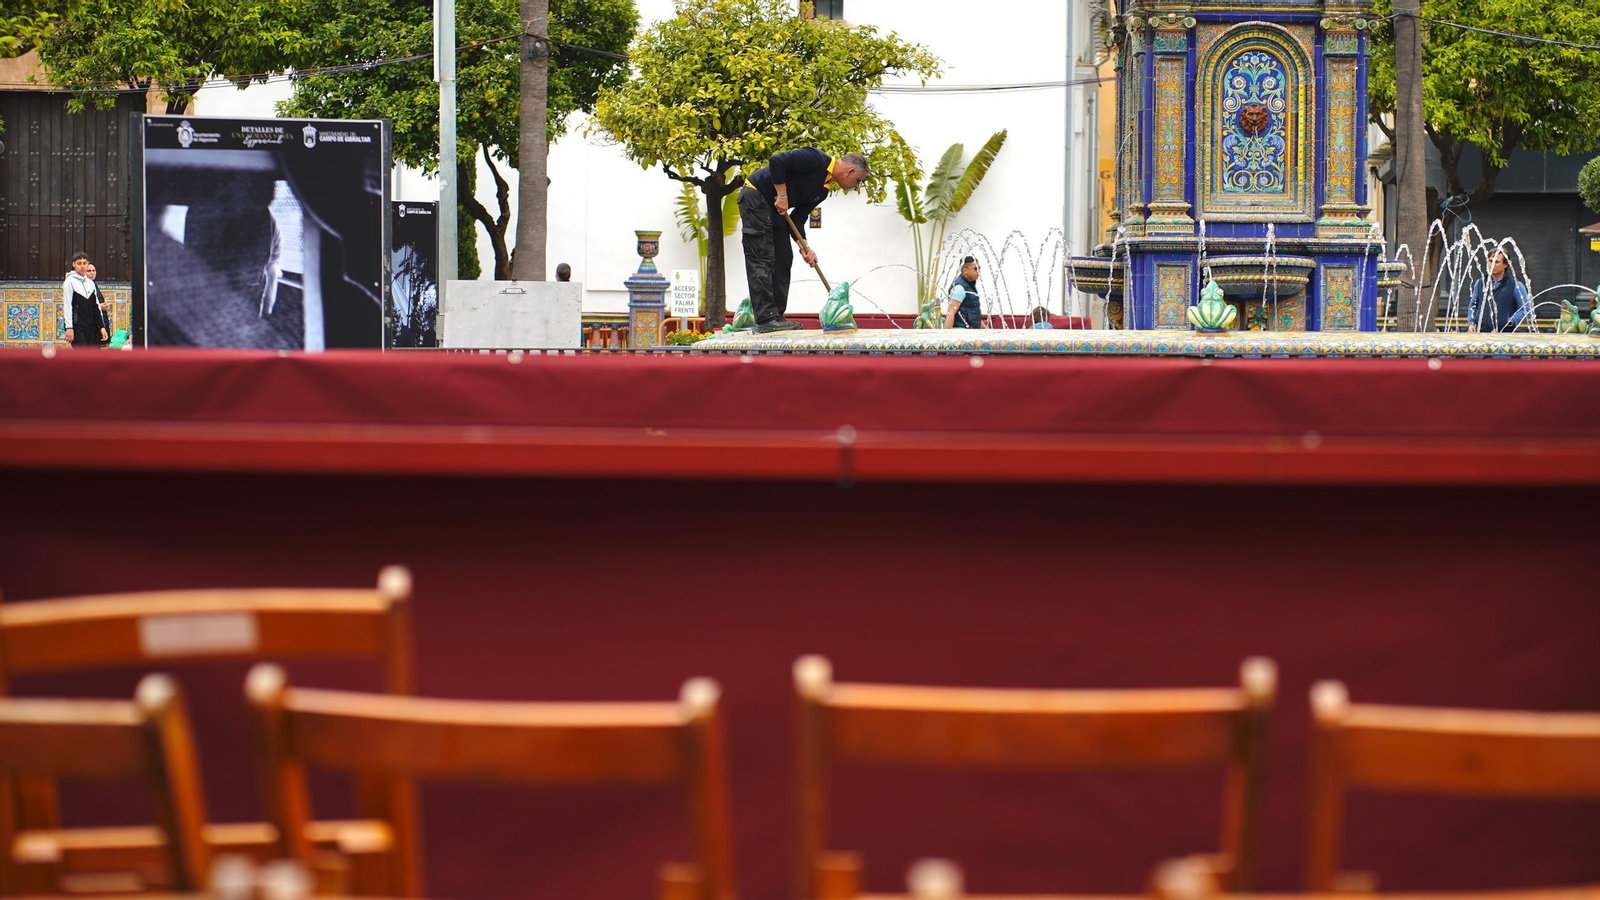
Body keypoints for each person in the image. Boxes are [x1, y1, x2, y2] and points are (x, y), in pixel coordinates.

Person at [739, 148, 870, 333]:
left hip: (775, 209)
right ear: (850, 171)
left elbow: (797, 219)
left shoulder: (822, 191)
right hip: (756, 196)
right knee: (762, 255)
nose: (856, 186)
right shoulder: (816, 159)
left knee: (784, 257)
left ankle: (776, 316)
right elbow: (777, 161)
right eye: (858, 180)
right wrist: (782, 195)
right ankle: (766, 318)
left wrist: (805, 248)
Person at [1467, 250, 1533, 333]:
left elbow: (1526, 310)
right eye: (1490, 261)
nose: (1492, 264)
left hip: (1504, 336)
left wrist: (1511, 322)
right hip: (1481, 334)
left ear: (1506, 264)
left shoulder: (1516, 285)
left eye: (1496, 262)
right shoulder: (1480, 283)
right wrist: (1471, 323)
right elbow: (1473, 305)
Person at [60, 252, 108, 347]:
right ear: (73, 264)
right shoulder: (69, 282)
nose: (82, 266)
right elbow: (67, 306)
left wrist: (102, 327)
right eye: (79, 263)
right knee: (81, 354)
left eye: (84, 263)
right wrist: (69, 327)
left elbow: (95, 307)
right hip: (77, 327)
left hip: (91, 327)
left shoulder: (90, 283)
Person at [944, 257, 984, 328]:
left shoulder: (969, 286)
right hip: (961, 331)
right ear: (965, 270)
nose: (978, 271)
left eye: (979, 268)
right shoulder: (959, 288)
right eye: (975, 269)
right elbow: (951, 313)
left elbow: (973, 315)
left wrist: (987, 330)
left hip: (969, 330)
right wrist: (946, 334)